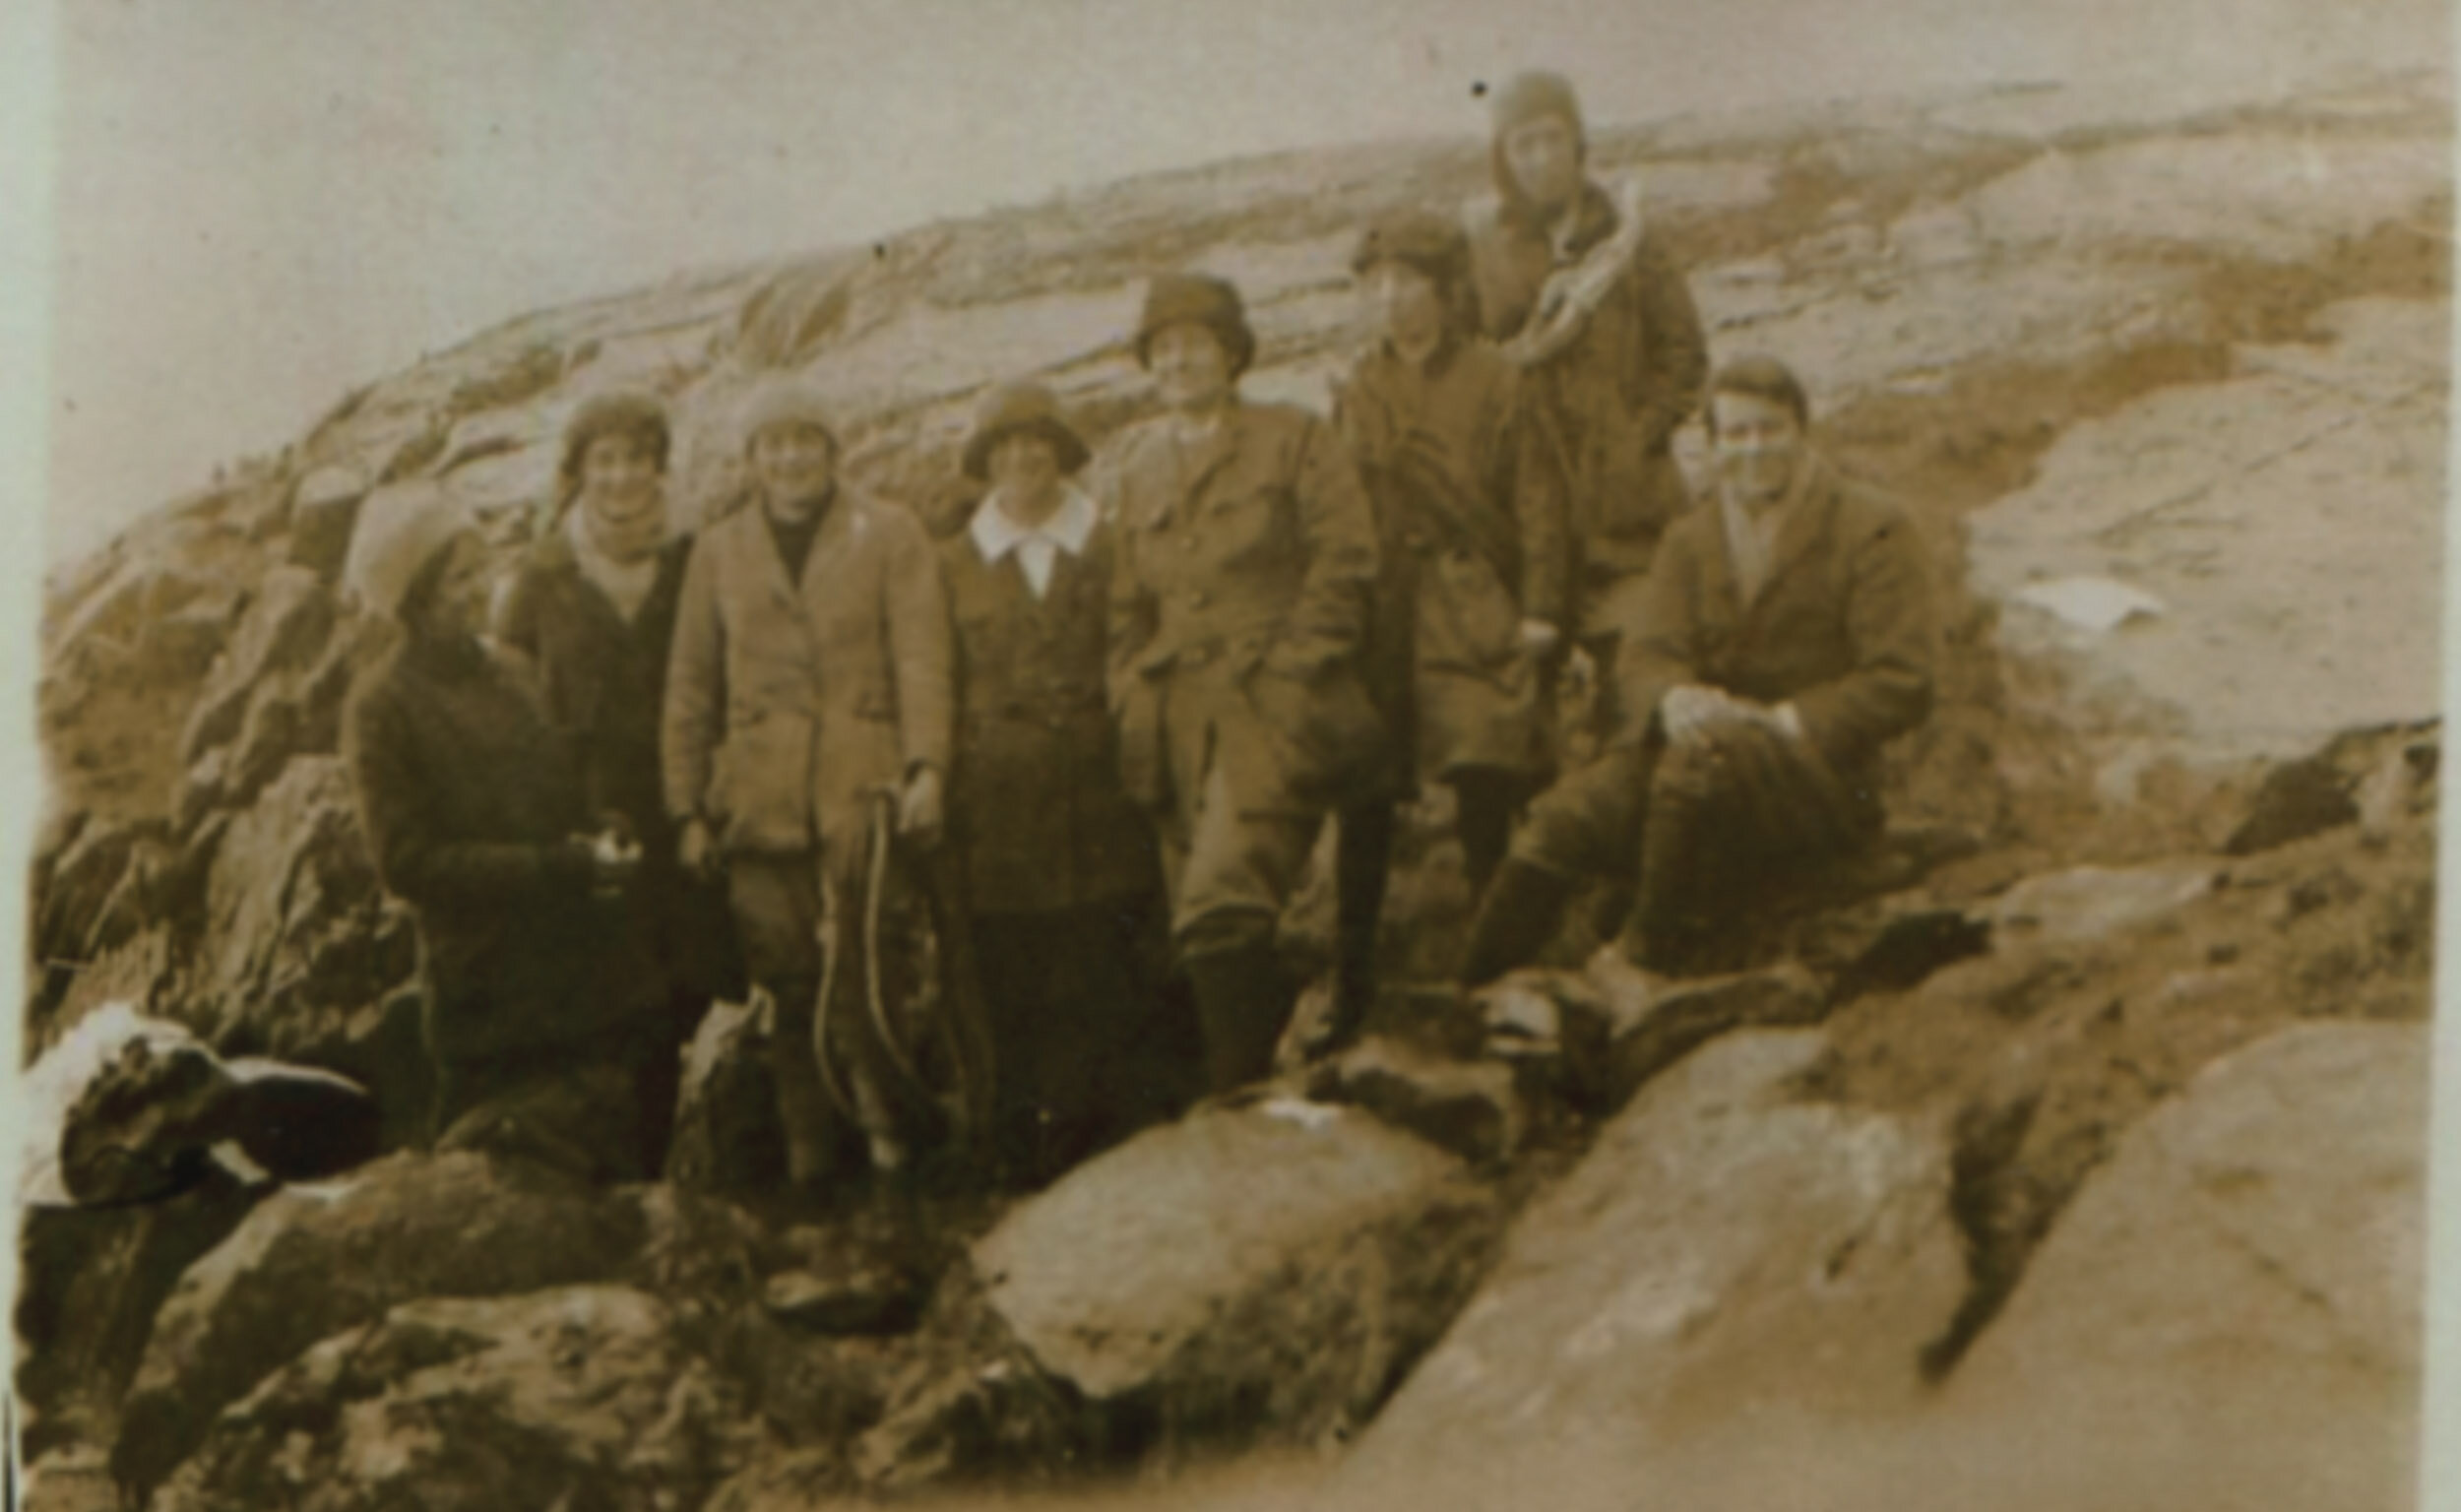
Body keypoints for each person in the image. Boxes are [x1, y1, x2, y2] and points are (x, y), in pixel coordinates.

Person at [1458, 354, 1938, 988]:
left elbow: (1903, 679)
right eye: (1735, 435)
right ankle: (1470, 989)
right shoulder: (1692, 537)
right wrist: (1672, 698)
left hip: (1820, 783)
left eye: (1770, 430)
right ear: (1712, 448)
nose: (1754, 449)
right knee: (1564, 817)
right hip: (1705, 755)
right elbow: (1645, 655)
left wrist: (1780, 722)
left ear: (1802, 433)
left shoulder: (1871, 526)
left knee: (1697, 759)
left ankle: (1642, 957)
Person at [663, 374, 955, 1198]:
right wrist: (687, 809)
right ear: (752, 458)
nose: (791, 458)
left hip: (864, 795)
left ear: (832, 449)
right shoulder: (717, 551)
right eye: (773, 443)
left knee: (870, 979)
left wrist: (927, 767)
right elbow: (690, 687)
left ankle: (895, 1163)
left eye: (806, 441)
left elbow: (924, 659)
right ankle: (811, 1171)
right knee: (788, 990)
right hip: (757, 807)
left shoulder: (890, 534)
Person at [1101, 273, 1384, 1093]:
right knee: (1205, 925)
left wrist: (1294, 673)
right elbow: (1127, 608)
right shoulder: (1141, 468)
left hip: (1276, 707)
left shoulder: (1294, 438)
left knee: (1218, 907)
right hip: (1173, 726)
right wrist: (1128, 692)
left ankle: (1235, 1111)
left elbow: (1347, 562)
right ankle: (1274, 1081)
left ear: (1233, 353)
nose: (1181, 360)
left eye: (1198, 343)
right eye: (1165, 348)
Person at [343, 481, 659, 1178]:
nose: (479, 588)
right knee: (494, 1187)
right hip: (487, 1003)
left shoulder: (512, 668)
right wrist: (552, 867)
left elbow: (564, 789)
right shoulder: (383, 704)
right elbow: (409, 863)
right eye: (459, 577)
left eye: (480, 569)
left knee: (614, 1180)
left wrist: (605, 828)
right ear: (414, 598)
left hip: (581, 981)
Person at [939, 380, 1193, 1183]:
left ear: (1064, 454)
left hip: (1101, 787)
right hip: (997, 803)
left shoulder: (1110, 544)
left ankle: (1121, 1134)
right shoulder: (949, 564)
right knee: (1012, 967)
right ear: (984, 463)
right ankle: (1022, 1147)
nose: (1023, 460)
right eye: (1005, 447)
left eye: (1039, 443)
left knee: (1108, 951)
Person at [1326, 208, 1567, 1034]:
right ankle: (1348, 988)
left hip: (1469, 602)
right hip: (1386, 605)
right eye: (1377, 284)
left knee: (1483, 771)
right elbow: (1338, 509)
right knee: (1363, 779)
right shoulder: (1357, 388)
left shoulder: (1499, 380)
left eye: (1409, 282)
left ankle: (1502, 973)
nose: (1392, 301)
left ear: (1443, 289)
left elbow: (1537, 501)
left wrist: (1540, 610)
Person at [490, 391, 742, 1177]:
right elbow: (511, 701)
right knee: (604, 997)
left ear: (660, 466)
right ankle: (612, 1172)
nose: (623, 477)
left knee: (684, 987)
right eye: (605, 460)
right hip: (588, 816)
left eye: (637, 458)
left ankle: (667, 1162)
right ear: (579, 472)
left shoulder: (695, 556)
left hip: (683, 805)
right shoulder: (541, 574)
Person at [1467, 69, 1708, 734]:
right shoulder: (1483, 252)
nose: (1540, 159)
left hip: (1628, 513)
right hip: (1526, 514)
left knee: (1644, 680)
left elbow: (1684, 355)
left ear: (1578, 143)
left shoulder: (1630, 242)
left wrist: (1637, 435)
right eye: (1522, 145)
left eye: (1551, 138)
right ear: (1503, 158)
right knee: (1523, 706)